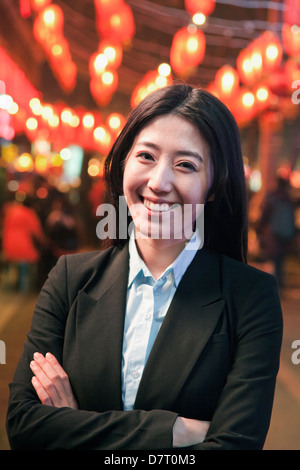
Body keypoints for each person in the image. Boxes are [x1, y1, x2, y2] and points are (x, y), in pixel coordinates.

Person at [6, 84, 283, 450]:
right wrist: (174, 433)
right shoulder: (70, 279)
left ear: (215, 185)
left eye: (185, 165)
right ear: (124, 162)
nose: (158, 182)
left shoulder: (251, 297)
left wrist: (72, 426)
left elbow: (235, 444)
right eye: (146, 157)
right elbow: (24, 425)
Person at [257, 176, 296, 289]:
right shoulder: (288, 199)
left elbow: (265, 215)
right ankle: (279, 281)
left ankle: (275, 283)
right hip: (286, 234)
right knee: (280, 259)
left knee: (274, 259)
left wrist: (260, 229)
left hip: (273, 234)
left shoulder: (272, 197)